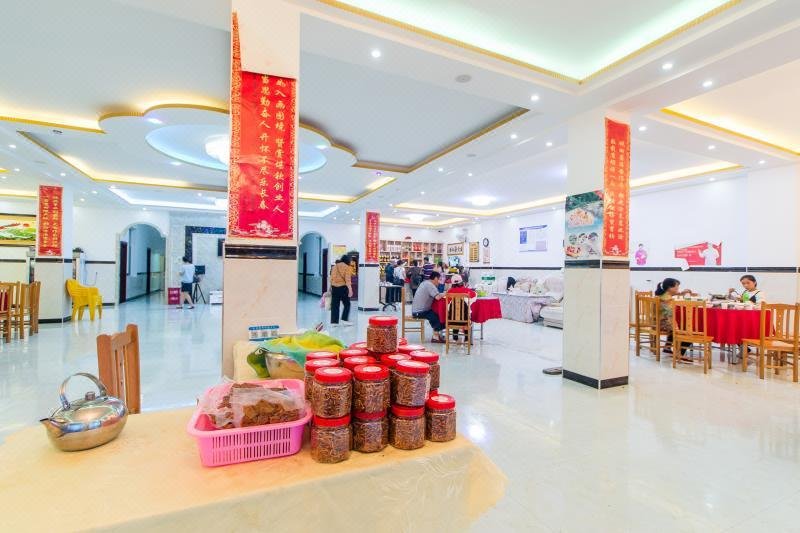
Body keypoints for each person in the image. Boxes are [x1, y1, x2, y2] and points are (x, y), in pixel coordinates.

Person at [655, 278, 694, 357]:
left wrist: (681, 293)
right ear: (670, 288)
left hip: (658, 321)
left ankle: (667, 347)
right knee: (689, 334)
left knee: (679, 327)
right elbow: (669, 315)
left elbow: (673, 294)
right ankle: (679, 354)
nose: (678, 288)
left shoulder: (663, 294)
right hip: (665, 323)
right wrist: (677, 328)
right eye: (677, 287)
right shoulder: (667, 299)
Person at [412, 271, 445, 343]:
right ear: (435, 278)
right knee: (438, 316)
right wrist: (446, 293)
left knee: (435, 313)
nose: (439, 282)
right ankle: (435, 337)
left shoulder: (425, 283)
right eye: (439, 279)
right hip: (420, 311)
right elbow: (438, 297)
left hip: (417, 310)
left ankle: (436, 335)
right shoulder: (430, 285)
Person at [446, 274, 476, 341]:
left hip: (452, 320)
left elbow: (447, 303)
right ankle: (466, 337)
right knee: (466, 314)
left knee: (454, 312)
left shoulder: (449, 292)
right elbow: (474, 296)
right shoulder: (467, 290)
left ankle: (455, 336)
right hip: (465, 320)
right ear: (462, 282)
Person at [330, 254, 353, 327]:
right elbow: (348, 280)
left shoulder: (334, 267)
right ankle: (344, 319)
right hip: (343, 288)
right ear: (347, 260)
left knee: (335, 305)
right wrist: (350, 290)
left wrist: (330, 287)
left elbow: (331, 278)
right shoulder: (347, 267)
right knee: (347, 304)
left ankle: (334, 322)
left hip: (334, 287)